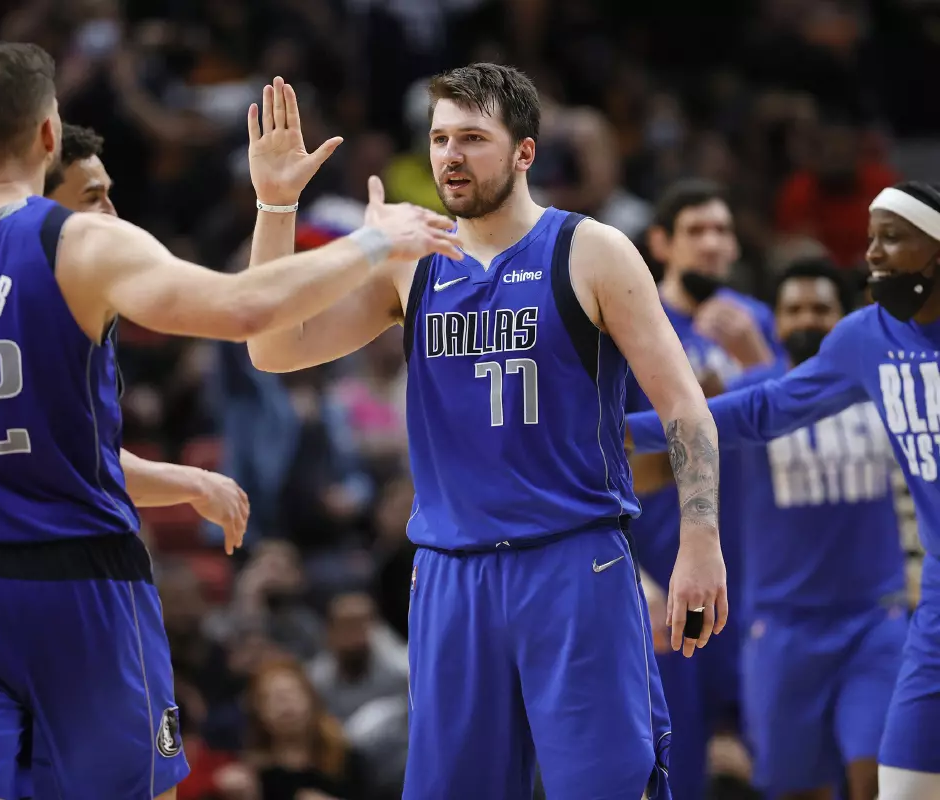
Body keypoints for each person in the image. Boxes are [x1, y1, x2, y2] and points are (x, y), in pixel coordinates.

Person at [0, 42, 459, 800]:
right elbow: (247, 309)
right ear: (50, 132)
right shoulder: (81, 245)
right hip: (75, 581)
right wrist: (377, 239)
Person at [242, 66, 727, 799]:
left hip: (573, 562)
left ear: (525, 152)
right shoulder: (412, 260)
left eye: (472, 138)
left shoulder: (591, 250)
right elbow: (271, 346)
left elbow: (684, 406)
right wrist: (276, 205)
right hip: (451, 569)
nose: (450, 156)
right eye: (439, 139)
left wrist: (700, 540)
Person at [0, 123, 248, 800]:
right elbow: (247, 313)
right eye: (93, 197)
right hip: (76, 584)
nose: (112, 215)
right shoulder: (62, 282)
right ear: (42, 200)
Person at [626, 180, 940, 799]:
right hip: (807, 617)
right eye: (871, 238)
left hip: (875, 613)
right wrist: (622, 429)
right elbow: (765, 408)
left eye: (893, 239)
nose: (872, 253)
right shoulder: (864, 340)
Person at [627, 179, 779, 799]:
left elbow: (795, 435)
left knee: (771, 752)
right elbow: (614, 452)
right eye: (697, 231)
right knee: (676, 753)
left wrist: (758, 355)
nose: (713, 244)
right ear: (661, 243)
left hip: (755, 564)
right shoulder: (633, 319)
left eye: (722, 231)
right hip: (668, 561)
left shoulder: (758, 321)